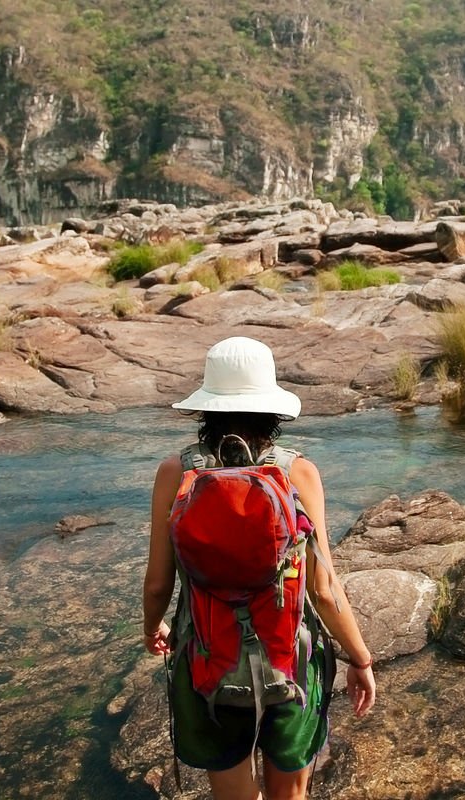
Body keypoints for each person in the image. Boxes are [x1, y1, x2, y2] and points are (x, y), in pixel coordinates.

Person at [142, 336, 377, 800]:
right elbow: (324, 589)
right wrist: (360, 658)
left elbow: (157, 584)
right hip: (290, 663)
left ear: (207, 408)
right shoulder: (297, 473)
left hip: (208, 664)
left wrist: (154, 627)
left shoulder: (176, 473)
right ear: (272, 408)